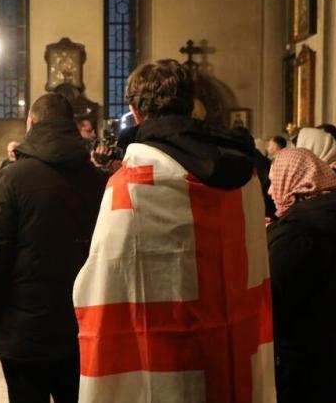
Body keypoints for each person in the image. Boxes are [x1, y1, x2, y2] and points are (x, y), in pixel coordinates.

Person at [73, 60, 275, 402]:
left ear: (136, 113)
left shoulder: (132, 184)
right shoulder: (245, 177)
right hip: (230, 346)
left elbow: (104, 279)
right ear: (191, 105)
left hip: (165, 354)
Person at [0, 93, 106, 403]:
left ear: (30, 123)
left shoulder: (11, 179)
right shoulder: (99, 182)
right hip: (80, 324)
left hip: (24, 330)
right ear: (71, 127)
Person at [267, 148, 336, 402]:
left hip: (298, 350)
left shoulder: (299, 233)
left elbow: (274, 297)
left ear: (295, 181)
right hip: (330, 341)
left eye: (274, 181)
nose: (270, 190)